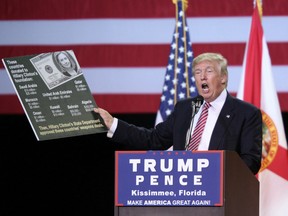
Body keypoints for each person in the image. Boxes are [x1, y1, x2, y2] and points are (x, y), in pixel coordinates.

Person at [94, 52, 263, 175]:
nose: (202, 77)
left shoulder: (246, 113)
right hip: (181, 192)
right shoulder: (185, 109)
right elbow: (153, 140)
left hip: (221, 195)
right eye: (197, 72)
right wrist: (113, 123)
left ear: (223, 78)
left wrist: (215, 173)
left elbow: (251, 162)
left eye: (209, 71)